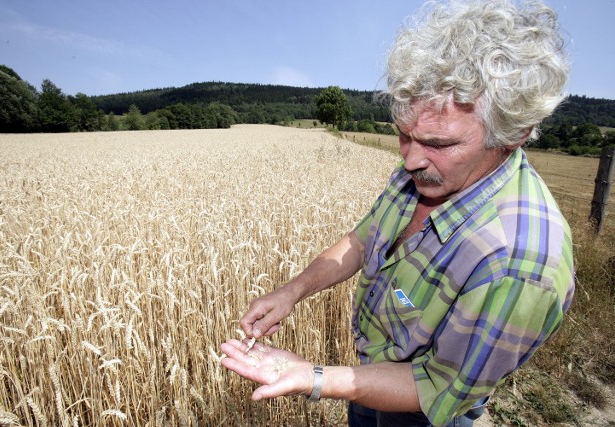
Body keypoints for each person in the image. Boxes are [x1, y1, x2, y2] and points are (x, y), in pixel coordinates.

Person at [220, 0, 575, 425]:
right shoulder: (428, 171)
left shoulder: (520, 264)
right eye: (403, 135)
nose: (409, 161)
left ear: (512, 134)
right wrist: (291, 292)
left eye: (438, 144)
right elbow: (360, 241)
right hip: (367, 380)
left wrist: (312, 377)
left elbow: (436, 387)